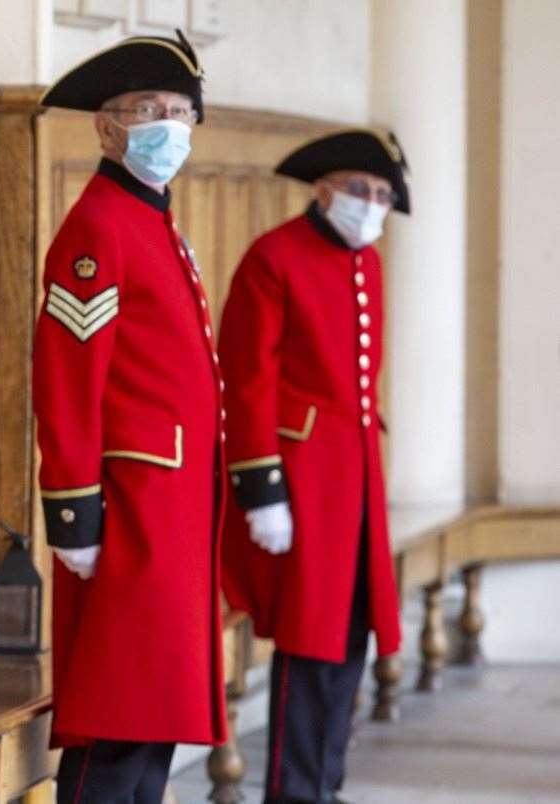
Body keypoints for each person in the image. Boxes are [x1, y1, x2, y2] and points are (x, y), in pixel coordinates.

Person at [32, 31, 228, 804]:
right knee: (116, 720)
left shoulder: (152, 220)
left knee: (154, 718)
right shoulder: (98, 227)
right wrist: (74, 510)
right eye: (149, 109)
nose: (168, 126)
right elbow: (68, 377)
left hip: (171, 509)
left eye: (180, 111)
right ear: (106, 127)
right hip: (128, 510)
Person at [217, 129, 411, 804]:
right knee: (308, 641)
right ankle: (296, 793)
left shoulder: (369, 264)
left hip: (354, 475)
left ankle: (326, 787)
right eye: (360, 189)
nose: (371, 205)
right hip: (299, 476)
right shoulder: (274, 257)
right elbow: (246, 380)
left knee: (351, 633)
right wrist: (261, 484)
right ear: (323, 188)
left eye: (383, 195)